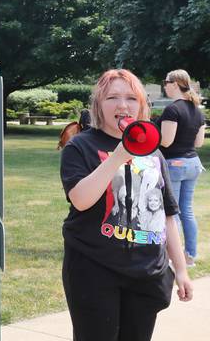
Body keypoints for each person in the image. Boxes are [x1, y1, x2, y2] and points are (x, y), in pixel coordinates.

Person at [60, 69, 192, 341]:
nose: (122, 105)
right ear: (98, 104)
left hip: (145, 273)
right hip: (94, 269)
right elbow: (81, 200)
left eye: (131, 98)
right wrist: (117, 157)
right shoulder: (80, 146)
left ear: (142, 104)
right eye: (112, 98)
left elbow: (167, 215)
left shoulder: (153, 151)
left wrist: (180, 270)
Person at [160, 69, 206, 267]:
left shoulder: (173, 110)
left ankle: (173, 257)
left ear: (175, 84)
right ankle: (190, 256)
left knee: (173, 213)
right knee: (186, 211)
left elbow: (167, 142)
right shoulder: (197, 110)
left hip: (175, 164)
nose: (164, 85)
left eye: (166, 82)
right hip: (193, 163)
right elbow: (198, 143)